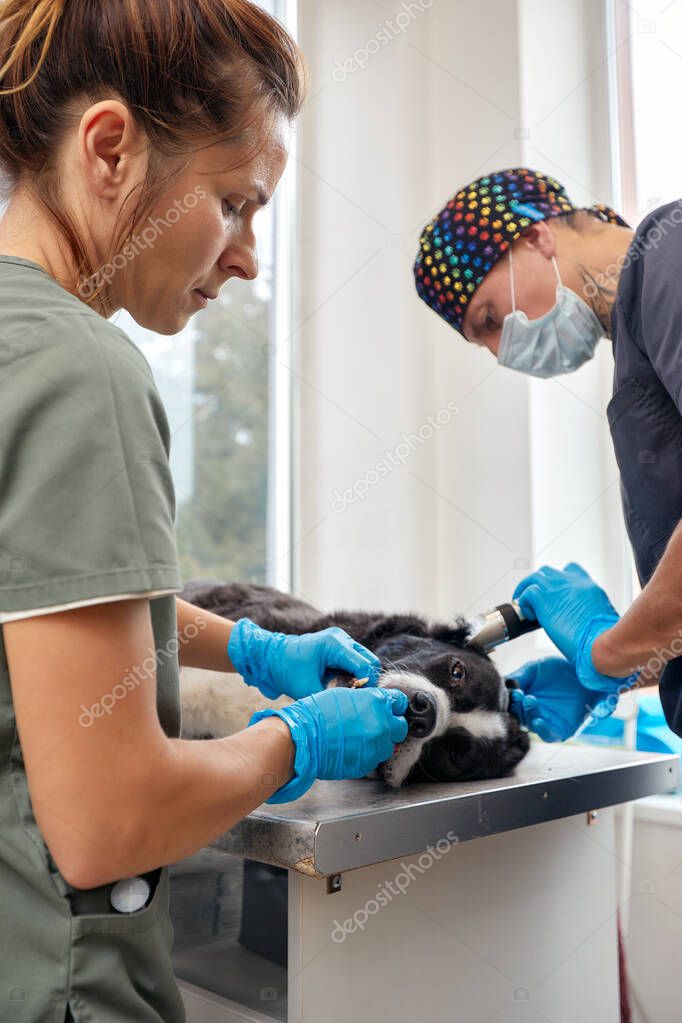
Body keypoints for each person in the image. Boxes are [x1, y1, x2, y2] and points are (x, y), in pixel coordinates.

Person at [0, 2, 408, 1020]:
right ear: (110, 149)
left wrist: (252, 647)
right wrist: (294, 740)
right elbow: (108, 821)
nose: (248, 257)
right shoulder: (79, 370)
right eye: (235, 203)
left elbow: (48, 605)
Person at [414, 167, 682, 742]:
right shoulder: (638, 347)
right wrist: (622, 672)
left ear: (535, 236)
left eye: (491, 319)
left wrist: (606, 652)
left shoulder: (670, 255)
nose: (500, 351)